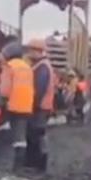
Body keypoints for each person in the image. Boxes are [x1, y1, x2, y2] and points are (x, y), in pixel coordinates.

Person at [0, 39, 34, 171]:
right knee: (20, 135)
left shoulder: (9, 66)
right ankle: (19, 164)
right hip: (26, 106)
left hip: (13, 105)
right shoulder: (27, 67)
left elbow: (5, 89)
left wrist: (0, 104)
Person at [25, 38, 55, 173]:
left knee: (36, 135)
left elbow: (39, 89)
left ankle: (37, 165)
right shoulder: (42, 65)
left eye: (30, 49)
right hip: (42, 107)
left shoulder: (42, 67)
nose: (28, 52)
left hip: (40, 108)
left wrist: (32, 106)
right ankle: (36, 164)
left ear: (37, 51)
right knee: (36, 135)